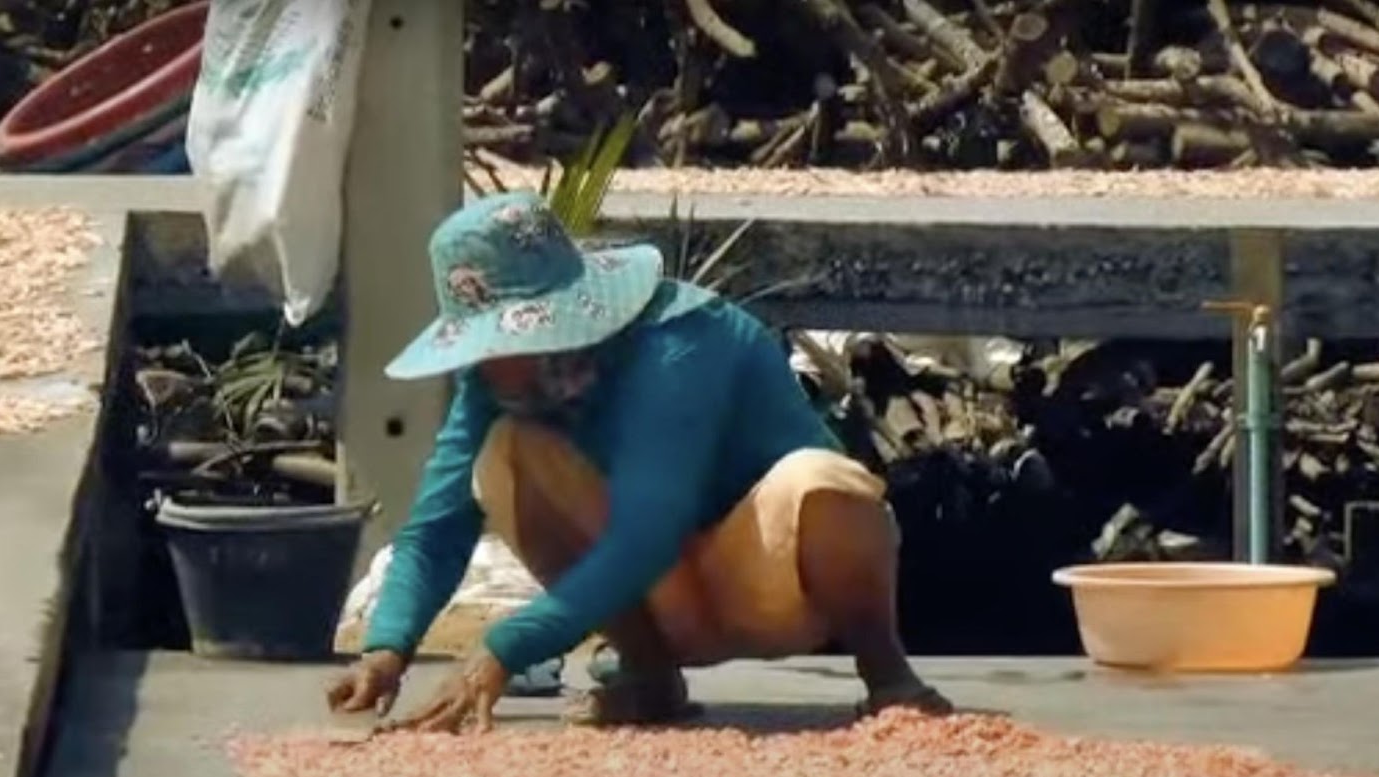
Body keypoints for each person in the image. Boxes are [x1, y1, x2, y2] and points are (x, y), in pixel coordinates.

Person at [326, 191, 951, 732]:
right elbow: (435, 532)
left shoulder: (679, 342)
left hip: (774, 580)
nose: (490, 363)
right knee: (506, 455)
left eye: (502, 341)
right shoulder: (495, 383)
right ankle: (648, 672)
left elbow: (647, 534)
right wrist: (387, 650)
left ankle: (888, 674)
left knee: (822, 483)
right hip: (663, 601)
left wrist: (505, 647)